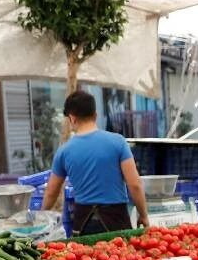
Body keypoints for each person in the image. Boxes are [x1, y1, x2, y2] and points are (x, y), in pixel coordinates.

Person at [42, 90, 149, 235]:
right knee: (120, 257)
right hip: (116, 222)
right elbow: (135, 184)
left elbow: (51, 193)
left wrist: (40, 219)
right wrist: (143, 215)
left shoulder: (64, 151)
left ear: (72, 118)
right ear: (95, 115)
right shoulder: (118, 142)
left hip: (83, 224)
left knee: (87, 257)